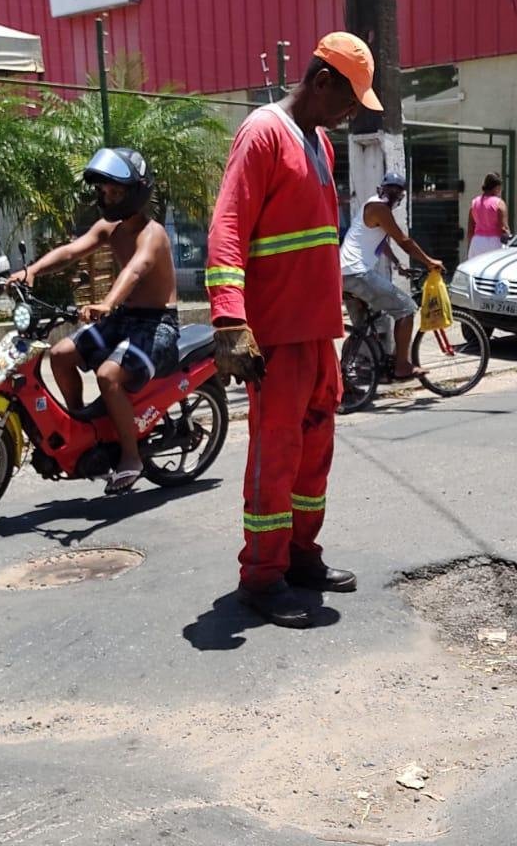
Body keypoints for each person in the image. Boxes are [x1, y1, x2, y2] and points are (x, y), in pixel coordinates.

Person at [206, 31, 380, 629]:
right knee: (275, 456)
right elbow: (227, 228)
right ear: (322, 80)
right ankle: (262, 576)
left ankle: (302, 557)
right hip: (275, 336)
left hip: (316, 334)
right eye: (350, 99)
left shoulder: (320, 143)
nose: (351, 112)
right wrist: (230, 318)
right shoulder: (263, 133)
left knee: (313, 456)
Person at [8, 147, 179, 495]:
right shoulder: (109, 227)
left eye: (115, 191)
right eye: (104, 191)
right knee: (59, 355)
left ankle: (132, 458)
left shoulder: (152, 233)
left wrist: (107, 302)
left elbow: (136, 269)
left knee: (108, 375)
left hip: (157, 325)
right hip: (124, 318)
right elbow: (72, 250)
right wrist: (32, 271)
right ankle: (84, 427)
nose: (107, 197)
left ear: (136, 191)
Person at [340, 172, 445, 380]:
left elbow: (382, 240)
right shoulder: (380, 208)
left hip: (345, 274)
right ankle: (402, 366)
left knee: (362, 330)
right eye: (392, 190)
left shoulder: (372, 205)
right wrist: (429, 261)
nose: (394, 194)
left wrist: (398, 264)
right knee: (406, 309)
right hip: (357, 273)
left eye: (397, 191)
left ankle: (344, 374)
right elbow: (404, 241)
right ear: (385, 189)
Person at [467, 172, 512, 260]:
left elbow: (470, 230)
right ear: (497, 188)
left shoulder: (474, 203)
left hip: (477, 242)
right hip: (494, 243)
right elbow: (503, 228)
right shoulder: (499, 203)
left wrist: (470, 247)